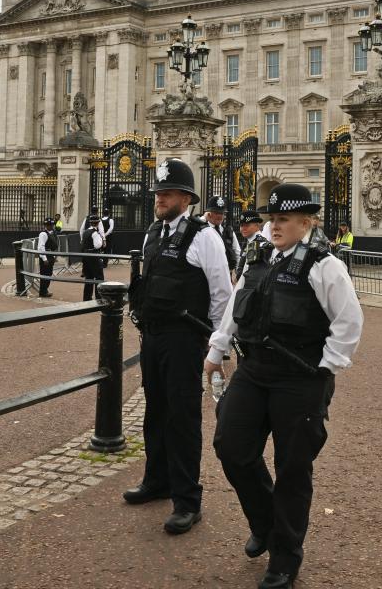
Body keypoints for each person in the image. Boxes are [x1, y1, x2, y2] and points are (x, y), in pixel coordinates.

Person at [205, 184, 363, 589]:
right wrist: (217, 348)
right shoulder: (258, 256)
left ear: (305, 223)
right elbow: (236, 307)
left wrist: (325, 367)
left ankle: (285, 557)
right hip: (254, 371)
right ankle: (266, 524)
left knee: (293, 468)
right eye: (272, 219)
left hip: (300, 378)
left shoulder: (324, 265)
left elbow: (349, 321)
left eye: (284, 220)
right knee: (231, 445)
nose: (274, 226)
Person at [125, 158, 232, 535]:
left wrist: (217, 346)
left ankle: (188, 499)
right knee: (155, 411)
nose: (160, 199)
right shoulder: (152, 232)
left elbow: (222, 294)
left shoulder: (204, 236)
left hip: (186, 338)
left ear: (185, 198)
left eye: (167, 193)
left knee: (183, 417)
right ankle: (158, 480)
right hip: (153, 336)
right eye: (158, 193)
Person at [202, 195, 242, 272]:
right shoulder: (202, 230)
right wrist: (203, 218)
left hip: (227, 274)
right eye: (217, 213)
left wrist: (237, 272)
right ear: (209, 213)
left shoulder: (228, 231)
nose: (220, 216)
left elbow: (237, 253)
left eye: (222, 213)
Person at [80, 213, 106, 302]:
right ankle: (99, 298)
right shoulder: (95, 233)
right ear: (98, 223)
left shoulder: (85, 232)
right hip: (94, 255)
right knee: (99, 277)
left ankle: (86, 298)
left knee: (89, 277)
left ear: (90, 223)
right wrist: (102, 241)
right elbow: (98, 245)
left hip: (86, 255)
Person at [236, 211, 268, 281]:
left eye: (247, 225)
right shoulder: (250, 241)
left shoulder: (260, 244)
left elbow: (254, 277)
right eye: (241, 225)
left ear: (257, 226)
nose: (243, 228)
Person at [36, 218, 57, 298]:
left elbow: (54, 245)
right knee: (44, 274)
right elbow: (41, 247)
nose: (50, 226)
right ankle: (43, 291)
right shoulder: (43, 234)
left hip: (50, 255)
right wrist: (44, 258)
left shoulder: (53, 233)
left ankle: (45, 290)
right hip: (46, 256)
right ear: (45, 225)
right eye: (48, 225)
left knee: (49, 274)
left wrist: (54, 256)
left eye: (51, 225)